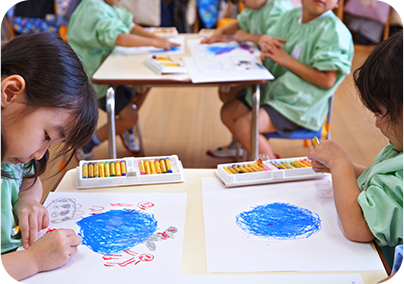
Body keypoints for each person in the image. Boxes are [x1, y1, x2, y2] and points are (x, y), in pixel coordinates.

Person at [0, 32, 99, 283]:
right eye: (46, 136)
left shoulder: (14, 154)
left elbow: (27, 177)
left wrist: (27, 200)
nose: (41, 154)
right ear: (10, 93)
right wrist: (33, 260)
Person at [308, 29, 404, 272]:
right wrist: (345, 170)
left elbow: (358, 226)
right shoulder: (399, 151)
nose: (377, 124)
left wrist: (340, 161)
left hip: (377, 266)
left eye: (381, 113)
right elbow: (377, 180)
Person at [211, 0, 353, 159]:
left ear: (337, 3)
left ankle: (270, 169)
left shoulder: (334, 31)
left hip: (301, 104)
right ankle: (262, 156)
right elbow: (269, 44)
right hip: (278, 92)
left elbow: (327, 80)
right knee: (228, 112)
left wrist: (286, 60)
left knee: (245, 125)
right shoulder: (290, 17)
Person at [68, 0, 179, 160]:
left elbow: (129, 25)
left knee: (144, 86)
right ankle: (88, 142)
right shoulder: (94, 9)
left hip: (108, 72)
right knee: (131, 116)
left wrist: (156, 38)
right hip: (93, 82)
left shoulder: (104, 6)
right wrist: (154, 42)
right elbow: (119, 37)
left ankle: (123, 128)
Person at [205, 0, 294, 159]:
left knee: (235, 104)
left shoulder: (279, 9)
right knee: (227, 94)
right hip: (266, 71)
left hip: (279, 80)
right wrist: (220, 32)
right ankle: (246, 143)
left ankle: (259, 151)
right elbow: (241, 22)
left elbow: (270, 41)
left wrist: (246, 36)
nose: (242, 5)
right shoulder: (256, 6)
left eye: (244, 1)